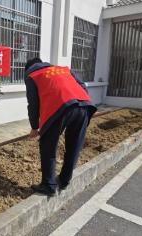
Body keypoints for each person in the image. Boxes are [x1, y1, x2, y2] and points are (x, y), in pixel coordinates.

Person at [24, 57, 97, 196]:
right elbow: (83, 86)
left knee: (48, 145)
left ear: (28, 68)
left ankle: (49, 185)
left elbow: (33, 103)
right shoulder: (63, 69)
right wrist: (81, 104)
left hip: (60, 108)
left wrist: (35, 127)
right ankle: (64, 180)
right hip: (84, 105)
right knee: (74, 146)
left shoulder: (32, 75)